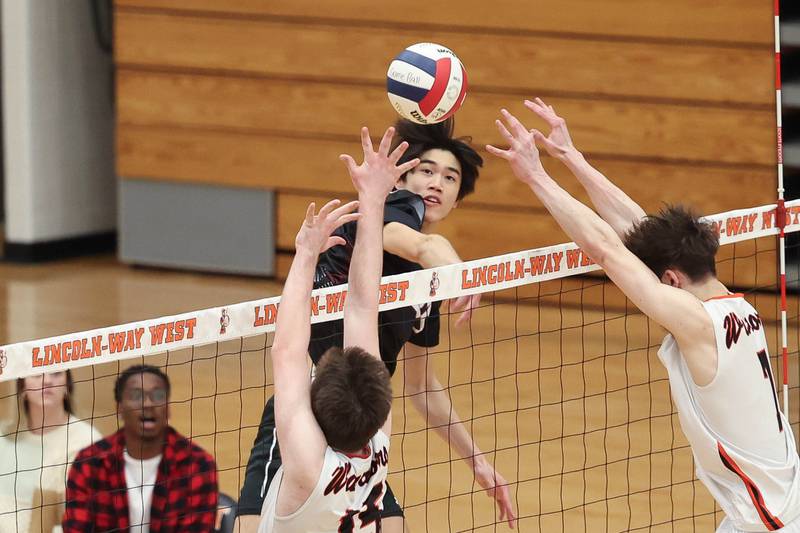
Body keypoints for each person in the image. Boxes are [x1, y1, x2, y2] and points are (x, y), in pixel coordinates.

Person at [487, 98, 800, 532]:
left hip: (764, 522)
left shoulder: (698, 323)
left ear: (671, 280)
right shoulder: (738, 306)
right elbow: (639, 232)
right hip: (778, 503)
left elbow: (608, 251)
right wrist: (572, 158)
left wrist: (537, 176)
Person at [237, 120, 516, 532]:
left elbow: (421, 387)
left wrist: (477, 460)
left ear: (458, 199)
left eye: (450, 177)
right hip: (305, 414)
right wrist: (461, 273)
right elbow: (421, 246)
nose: (436, 183)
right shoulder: (391, 217)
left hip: (364, 426)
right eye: (426, 170)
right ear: (401, 177)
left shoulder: (424, 287)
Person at [257, 126, 410, 531]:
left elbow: (288, 352)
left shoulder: (308, 463)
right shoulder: (378, 438)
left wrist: (306, 252)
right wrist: (374, 201)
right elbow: (362, 305)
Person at [62, 364, 218, 532]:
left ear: (168, 408)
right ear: (119, 408)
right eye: (136, 395)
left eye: (158, 395)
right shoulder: (89, 463)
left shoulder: (198, 464)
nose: (148, 403)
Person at [0, 370, 100, 533]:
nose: (47, 380)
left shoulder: (87, 442)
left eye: (55, 373)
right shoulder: (4, 437)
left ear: (67, 385)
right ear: (22, 388)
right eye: (37, 374)